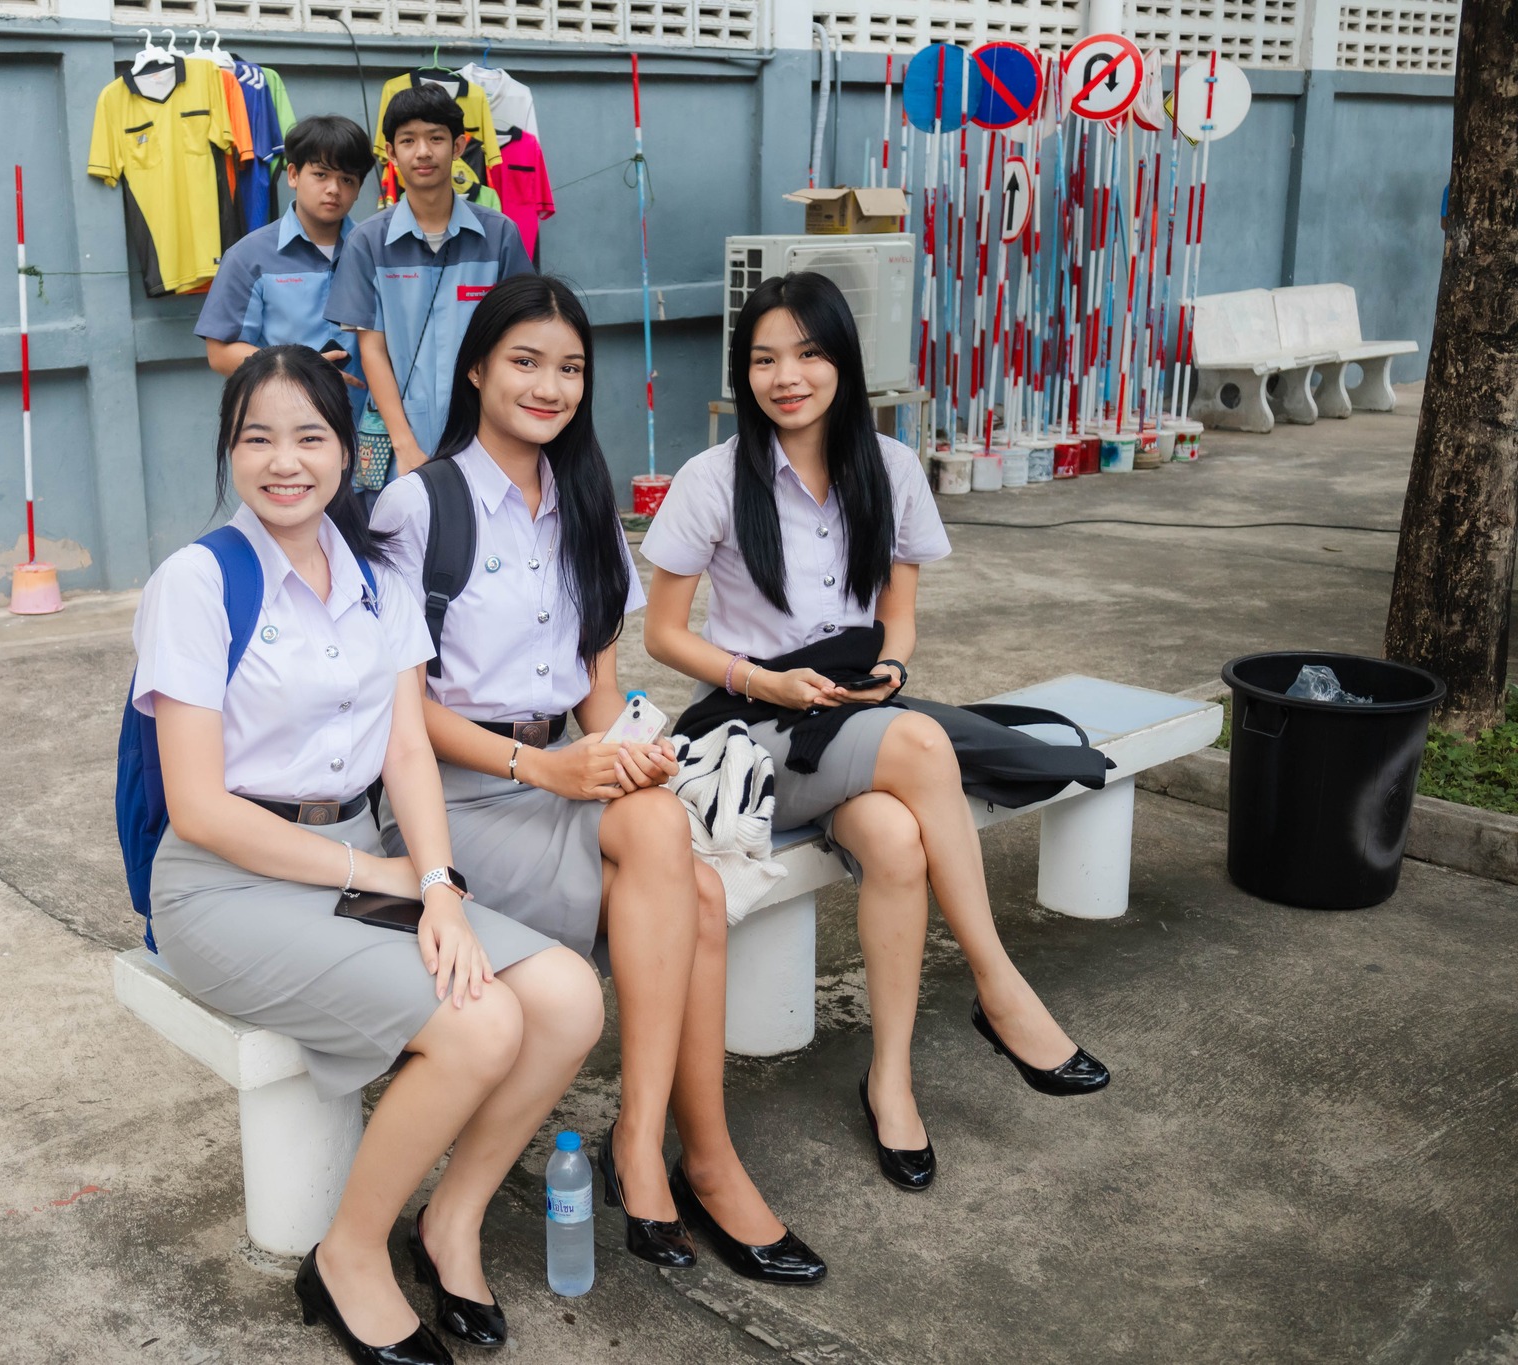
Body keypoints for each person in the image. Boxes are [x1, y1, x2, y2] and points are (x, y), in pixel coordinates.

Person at [138, 345, 602, 1364]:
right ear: (229, 451)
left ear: (347, 454)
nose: (282, 460)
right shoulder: (197, 582)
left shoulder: (377, 583)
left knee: (566, 997)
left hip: (360, 854)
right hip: (224, 886)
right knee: (481, 1028)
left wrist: (436, 885)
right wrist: (379, 875)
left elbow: (404, 752)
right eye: (255, 436)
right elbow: (199, 808)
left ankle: (450, 1221)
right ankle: (347, 1256)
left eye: (309, 436)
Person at [370, 276, 827, 1286]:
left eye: (569, 367)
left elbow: (598, 685)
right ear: (477, 367)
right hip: (450, 798)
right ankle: (672, 1155)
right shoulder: (420, 503)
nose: (549, 385)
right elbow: (399, 715)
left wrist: (627, 748)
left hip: (559, 775)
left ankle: (654, 1142)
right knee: (692, 893)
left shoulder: (582, 497)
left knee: (664, 833)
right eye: (525, 362)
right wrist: (549, 767)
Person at [640, 273, 1110, 1193]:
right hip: (753, 726)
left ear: (843, 362)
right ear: (746, 372)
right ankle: (999, 988)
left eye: (810, 353)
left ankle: (891, 1079)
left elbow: (900, 617)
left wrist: (890, 668)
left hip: (856, 711)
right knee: (925, 747)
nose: (788, 375)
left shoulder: (888, 467)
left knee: (897, 840)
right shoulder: (711, 480)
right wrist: (763, 676)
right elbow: (661, 634)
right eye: (766, 357)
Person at [326, 84, 534, 489]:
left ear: (458, 145)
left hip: (485, 440)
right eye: (408, 140)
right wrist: (405, 447)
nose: (423, 152)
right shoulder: (368, 242)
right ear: (391, 153)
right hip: (399, 444)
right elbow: (372, 349)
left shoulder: (499, 235)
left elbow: (522, 341)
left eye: (436, 138)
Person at [195, 115, 375, 386]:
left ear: (359, 188)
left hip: (368, 422)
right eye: (321, 174)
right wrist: (301, 369)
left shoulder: (374, 252)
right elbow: (220, 354)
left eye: (347, 180)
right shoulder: (248, 257)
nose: (333, 189)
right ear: (293, 175)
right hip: (284, 419)